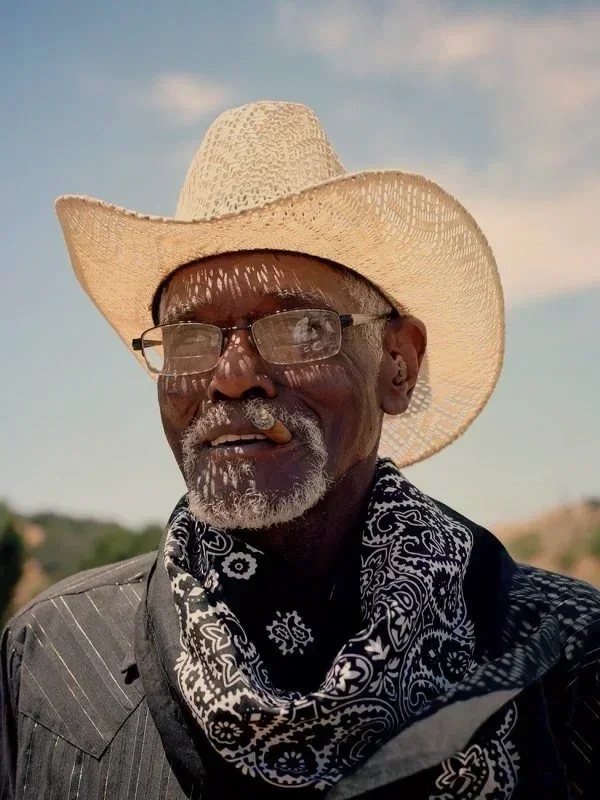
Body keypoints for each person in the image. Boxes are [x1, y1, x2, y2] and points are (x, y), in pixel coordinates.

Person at [1, 101, 599, 800]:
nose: (230, 376)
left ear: (397, 365)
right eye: (189, 339)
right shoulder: (52, 661)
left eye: (298, 327)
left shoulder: (569, 658)